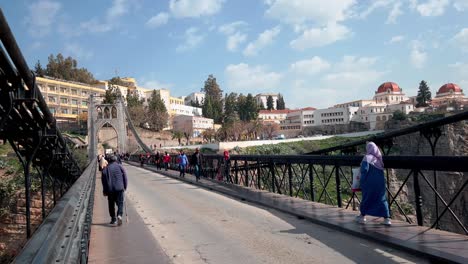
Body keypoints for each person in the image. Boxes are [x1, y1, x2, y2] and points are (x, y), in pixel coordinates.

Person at [356, 142, 391, 226]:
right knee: (381, 199)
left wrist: (361, 180)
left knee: (367, 198)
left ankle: (362, 217)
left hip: (369, 183)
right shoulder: (379, 159)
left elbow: (364, 170)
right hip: (380, 183)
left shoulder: (367, 158)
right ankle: (387, 219)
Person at [101, 155, 128, 226]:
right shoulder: (120, 166)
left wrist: (105, 191)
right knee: (120, 203)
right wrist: (125, 186)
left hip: (110, 189)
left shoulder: (105, 169)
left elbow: (104, 181)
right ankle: (119, 215)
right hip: (119, 188)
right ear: (116, 160)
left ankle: (113, 219)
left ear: (109, 161)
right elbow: (125, 177)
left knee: (111, 204)